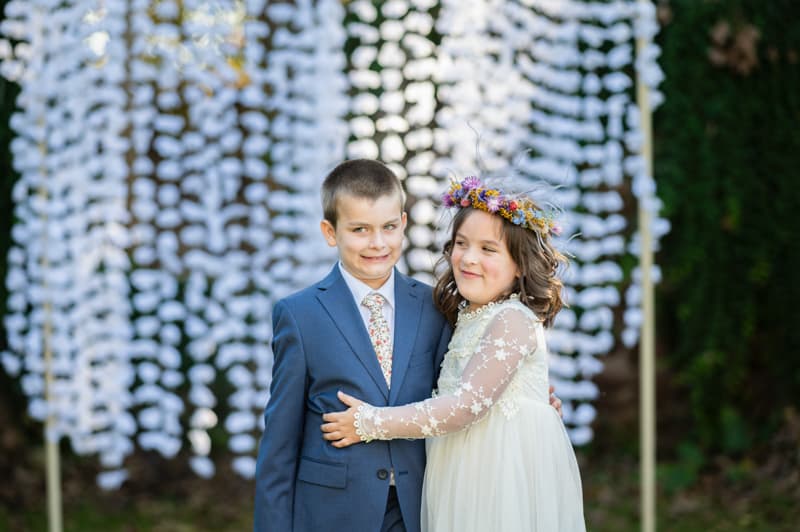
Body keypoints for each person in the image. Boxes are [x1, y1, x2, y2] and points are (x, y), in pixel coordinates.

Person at [254, 161, 562, 532]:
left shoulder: (436, 308)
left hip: (420, 507)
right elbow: (279, 446)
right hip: (332, 512)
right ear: (330, 232)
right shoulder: (299, 314)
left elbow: (460, 390)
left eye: (387, 228)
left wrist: (524, 405)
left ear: (402, 223)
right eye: (359, 230)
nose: (377, 243)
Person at [321, 176, 586, 531]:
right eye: (461, 243)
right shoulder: (462, 317)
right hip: (458, 471)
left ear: (521, 264)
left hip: (498, 478)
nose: (469, 258)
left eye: (488, 249)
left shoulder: (512, 319)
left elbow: (465, 406)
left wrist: (370, 422)